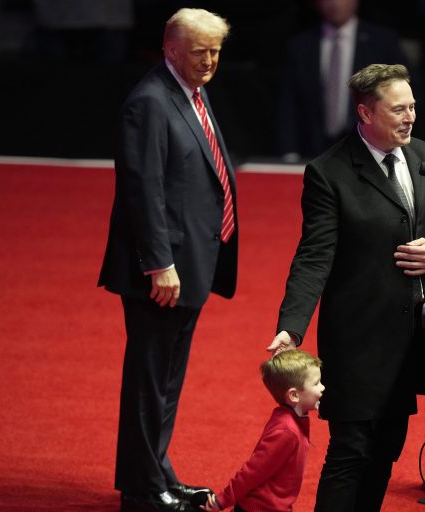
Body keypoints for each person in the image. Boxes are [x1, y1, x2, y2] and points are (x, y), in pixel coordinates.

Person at [267, 63, 425, 511]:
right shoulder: (329, 172)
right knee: (351, 452)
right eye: (398, 109)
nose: (410, 117)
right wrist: (291, 327)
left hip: (412, 339)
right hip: (357, 342)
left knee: (386, 450)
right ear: (365, 113)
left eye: (412, 106)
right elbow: (314, 256)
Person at [98, 8, 239, 512]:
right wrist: (159, 264)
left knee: (166, 381)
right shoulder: (149, 103)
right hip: (163, 271)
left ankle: (158, 475)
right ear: (170, 49)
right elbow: (143, 191)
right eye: (200, 51)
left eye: (216, 51)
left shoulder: (191, 91)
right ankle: (142, 492)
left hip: (190, 262)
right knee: (149, 382)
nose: (209, 61)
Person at [275, 0, 409, 161]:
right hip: (312, 150)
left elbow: (403, 97)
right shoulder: (300, 46)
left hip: (369, 148)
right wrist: (289, 152)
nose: (335, 3)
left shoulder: (382, 42)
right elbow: (287, 103)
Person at [193, 349, 324, 512]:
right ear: (294, 395)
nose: (323, 388)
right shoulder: (286, 431)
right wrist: (222, 500)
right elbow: (253, 471)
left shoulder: (291, 418)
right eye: (316, 383)